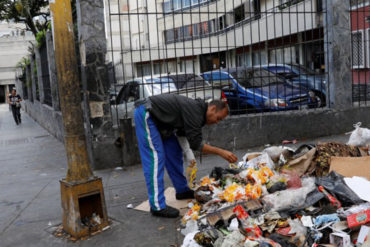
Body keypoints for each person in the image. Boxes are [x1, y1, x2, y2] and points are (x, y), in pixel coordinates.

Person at [134, 94, 238, 218]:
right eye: (218, 118)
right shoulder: (195, 111)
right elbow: (196, 143)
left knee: (174, 152)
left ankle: (182, 190)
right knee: (156, 158)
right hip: (147, 113)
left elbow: (182, 135)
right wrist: (221, 152)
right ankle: (157, 206)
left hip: (162, 122)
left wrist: (190, 157)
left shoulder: (198, 113)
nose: (216, 122)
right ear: (213, 109)